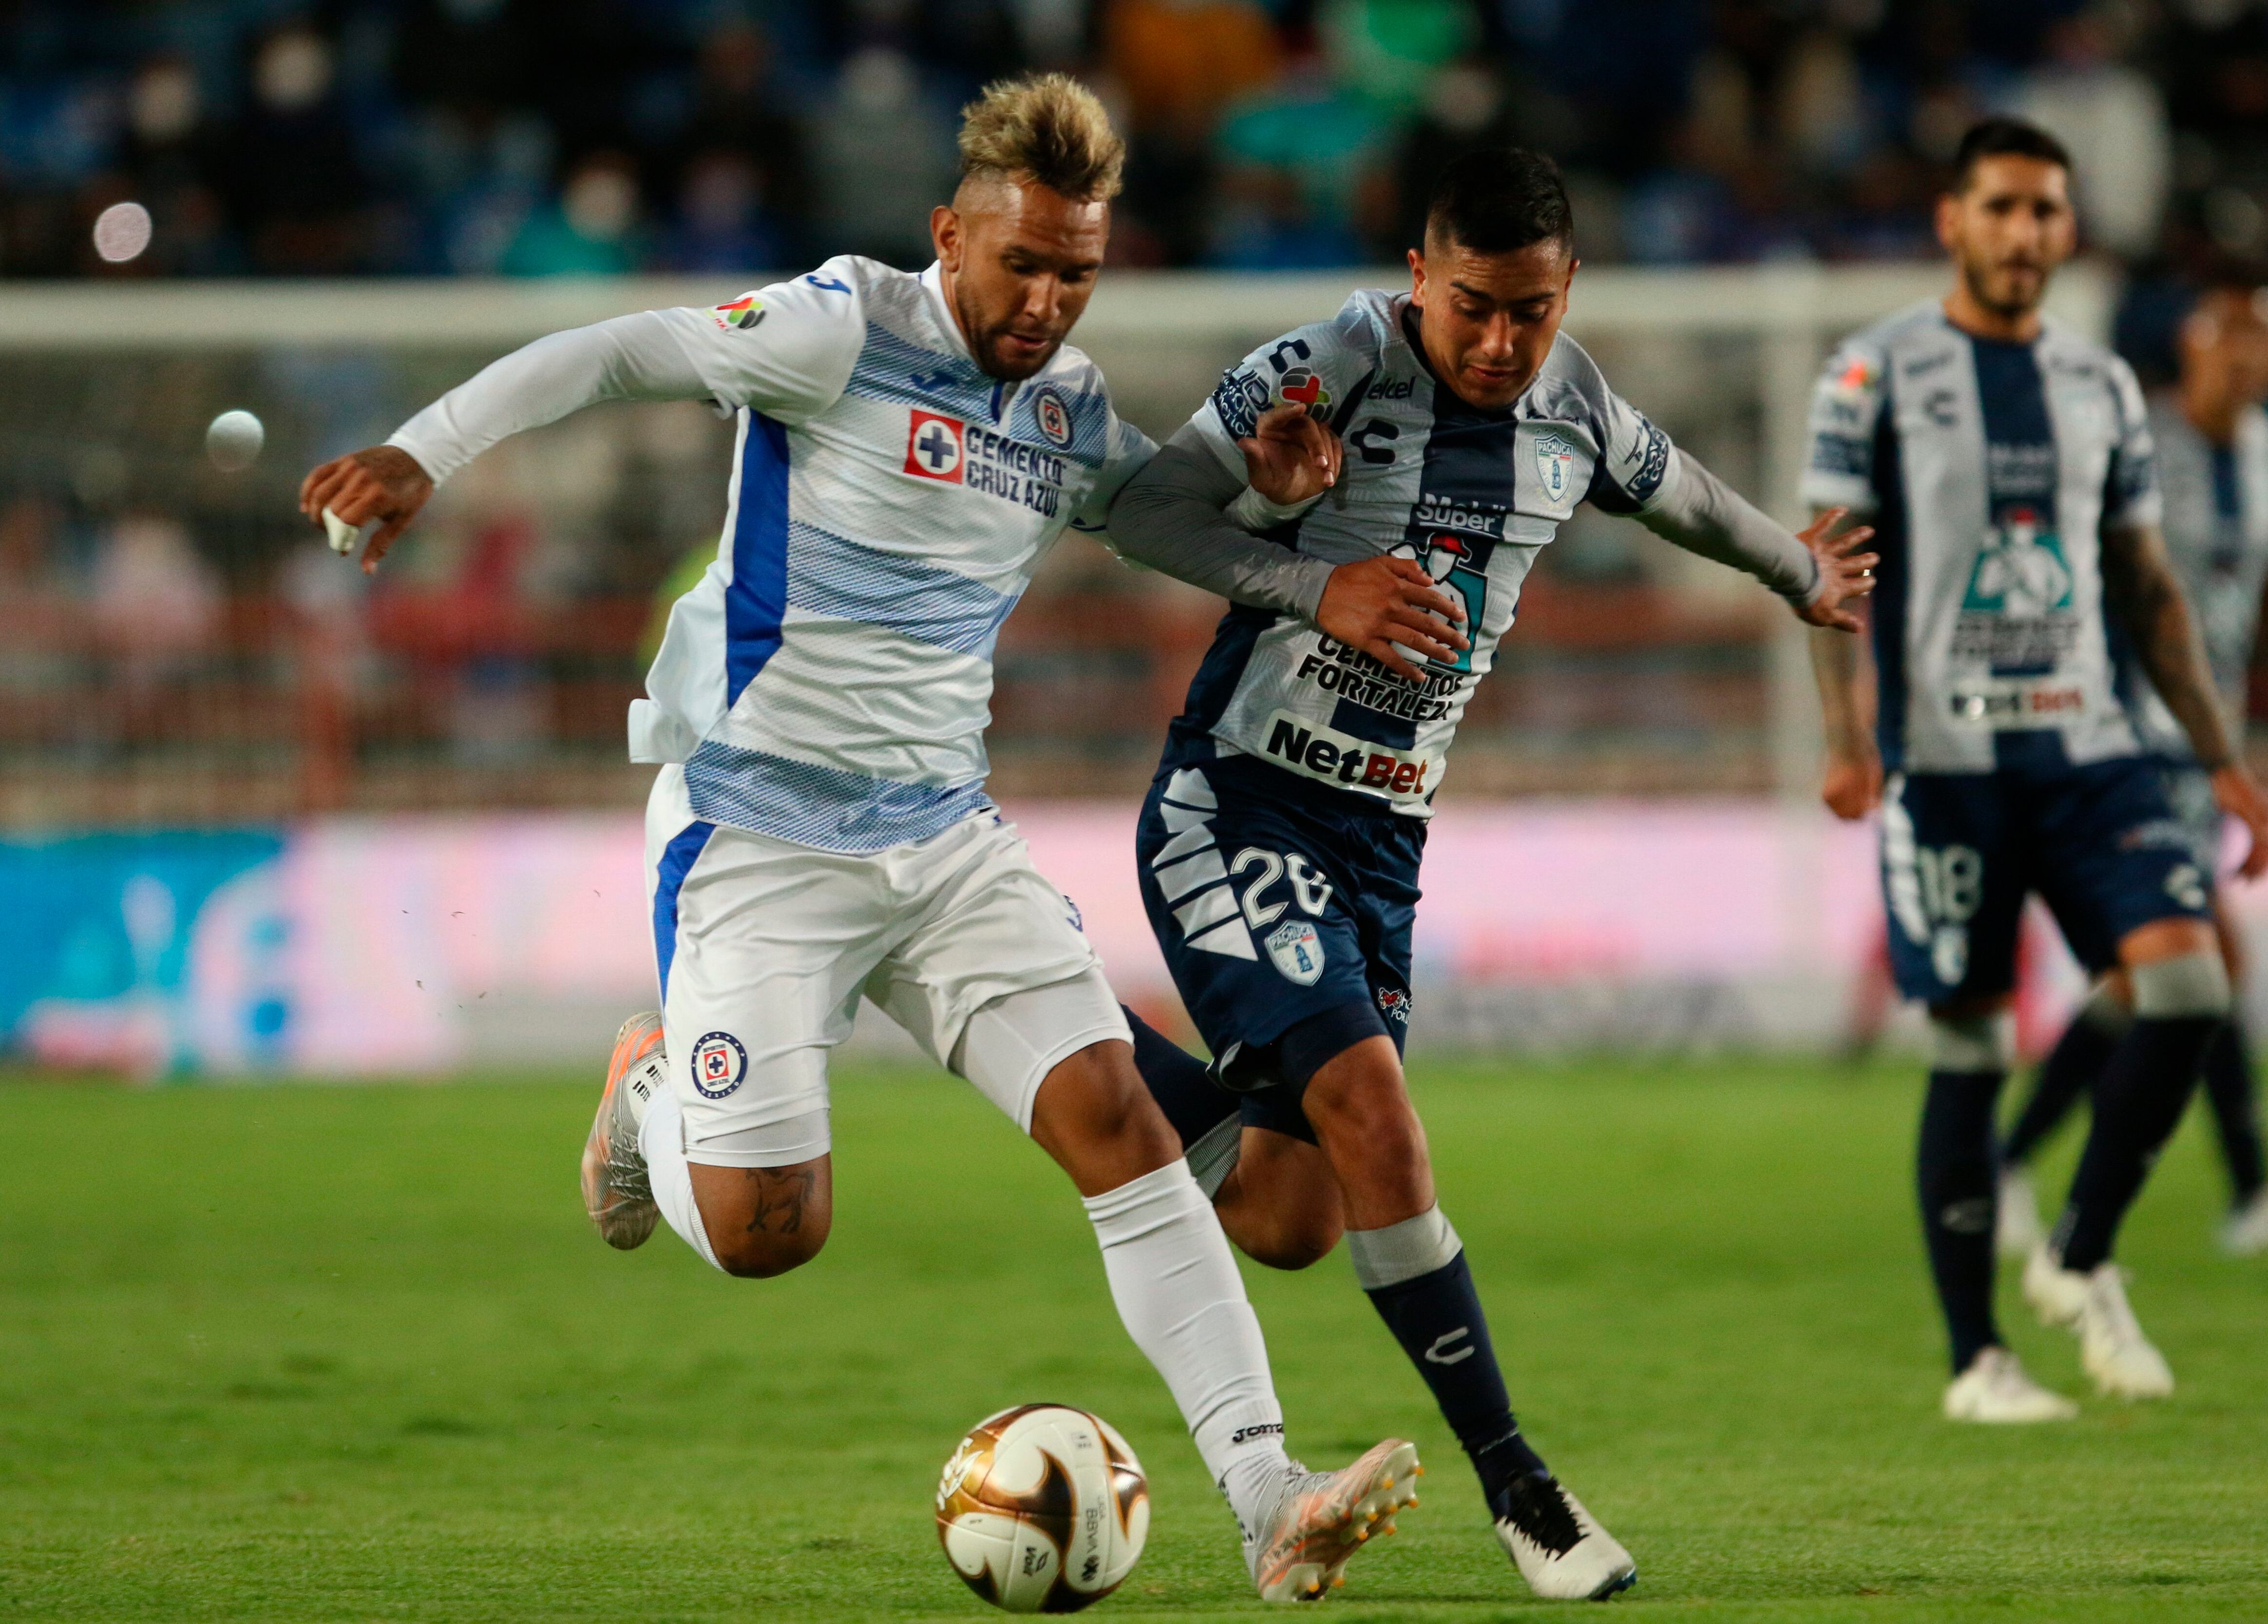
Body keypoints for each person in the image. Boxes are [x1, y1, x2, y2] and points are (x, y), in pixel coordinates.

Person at [297, 75, 1453, 1604]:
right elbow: (623, 350)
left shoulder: (1064, 405)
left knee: (1119, 1118)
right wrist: (424, 449)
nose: (1044, 301)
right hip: (760, 836)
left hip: (943, 841)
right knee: (774, 1232)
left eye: (1077, 274)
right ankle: (650, 1098)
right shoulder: (844, 325)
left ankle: (1267, 1493)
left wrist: (1272, 500)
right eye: (1021, 264)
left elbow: (1143, 508)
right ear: (948, 235)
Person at [1100, 146, 1877, 1598]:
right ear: (1417, 275)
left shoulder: (1570, 398)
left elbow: (1681, 490)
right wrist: (1303, 568)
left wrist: (1795, 569)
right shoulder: (1332, 361)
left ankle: (1043, 1004)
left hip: (1381, 845)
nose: (1502, 342)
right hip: (1237, 801)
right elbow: (1144, 509)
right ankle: (1523, 1486)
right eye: (1474, 307)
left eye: (1530, 309)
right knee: (1379, 1118)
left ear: (1566, 287)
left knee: (1289, 1214)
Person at [1803, 117, 2268, 1424]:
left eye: (2046, 211)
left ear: (2070, 231)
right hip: (1948, 763)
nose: (2026, 232)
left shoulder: (2103, 385)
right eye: (2002, 207)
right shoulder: (1872, 370)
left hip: (2094, 751)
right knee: (1970, 1047)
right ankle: (1979, 1359)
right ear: (1954, 219)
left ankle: (2076, 1244)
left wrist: (2226, 760)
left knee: (2186, 984)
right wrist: (1848, 738)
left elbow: (2149, 586)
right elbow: (1826, 563)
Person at [1997, 276, 2268, 1260]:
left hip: (2208, 743)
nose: (2246, 358)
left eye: (2264, 341)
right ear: (2192, 348)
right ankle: (2234, 1196)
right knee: (2186, 960)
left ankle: (2015, 1168)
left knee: (2158, 971)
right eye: (2227, 338)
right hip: (2119, 732)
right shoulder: (2136, 444)